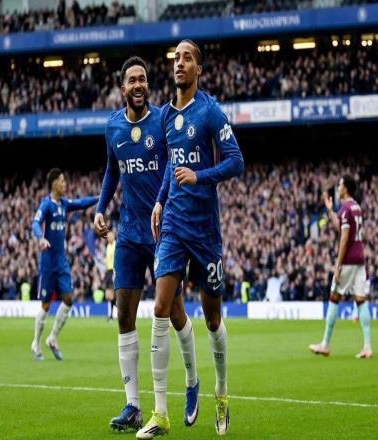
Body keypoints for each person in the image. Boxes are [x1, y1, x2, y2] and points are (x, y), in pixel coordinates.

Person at [136, 40, 244, 439]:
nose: (179, 63)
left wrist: (201, 177)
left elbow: (236, 161)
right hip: (174, 226)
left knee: (213, 319)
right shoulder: (166, 116)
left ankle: (221, 392)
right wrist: (159, 201)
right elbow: (171, 164)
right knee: (160, 307)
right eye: (175, 58)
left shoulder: (210, 111)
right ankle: (162, 411)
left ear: (199, 69)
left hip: (205, 233)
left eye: (187, 58)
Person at [94, 56, 198, 433]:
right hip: (128, 235)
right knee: (124, 315)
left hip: (164, 233)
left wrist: (165, 203)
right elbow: (112, 171)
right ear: (123, 88)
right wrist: (101, 208)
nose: (138, 85)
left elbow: (175, 163)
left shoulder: (163, 120)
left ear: (147, 85)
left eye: (143, 79)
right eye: (132, 80)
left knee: (174, 311)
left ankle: (192, 378)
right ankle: (133, 406)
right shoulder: (113, 127)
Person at [30, 168, 98, 361]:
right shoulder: (47, 205)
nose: (65, 184)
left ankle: (52, 338)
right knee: (45, 305)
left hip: (61, 262)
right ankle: (36, 343)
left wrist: (100, 197)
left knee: (69, 299)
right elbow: (35, 223)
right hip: (48, 263)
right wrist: (41, 238)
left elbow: (82, 203)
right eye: (62, 181)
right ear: (54, 184)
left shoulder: (64, 204)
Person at [309, 175, 373, 359]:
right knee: (361, 300)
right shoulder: (356, 207)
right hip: (359, 258)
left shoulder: (345, 208)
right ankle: (368, 346)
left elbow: (344, 238)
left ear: (346, 188)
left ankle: (325, 344)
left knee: (334, 297)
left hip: (349, 259)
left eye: (340, 185)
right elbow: (341, 227)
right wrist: (330, 210)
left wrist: (338, 266)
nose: (338, 187)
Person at [105, 231, 116, 321]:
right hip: (108, 272)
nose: (108, 238)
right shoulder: (108, 246)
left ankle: (111, 315)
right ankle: (112, 314)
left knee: (112, 294)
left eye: (109, 237)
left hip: (114, 271)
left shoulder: (116, 245)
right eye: (107, 237)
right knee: (108, 295)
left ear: (113, 237)